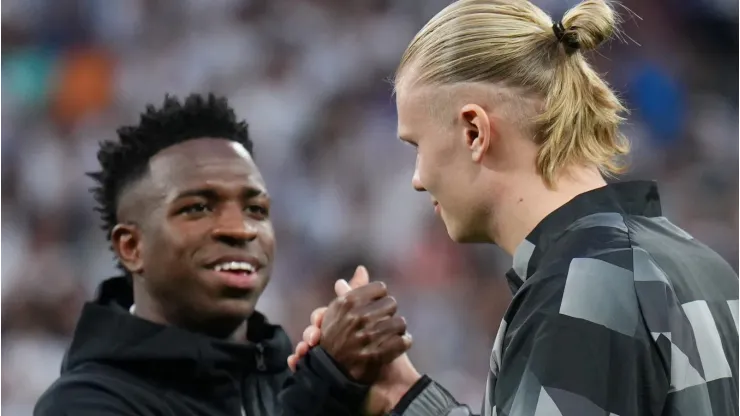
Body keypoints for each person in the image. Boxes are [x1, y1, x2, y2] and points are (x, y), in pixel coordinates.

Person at [289, 0, 740, 415]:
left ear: (474, 132)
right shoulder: (703, 266)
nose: (418, 178)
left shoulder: (584, 284)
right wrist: (400, 394)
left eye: (417, 146)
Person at [33, 93, 412, 416]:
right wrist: (329, 385)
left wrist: (405, 395)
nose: (240, 229)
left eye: (256, 210)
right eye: (198, 207)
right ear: (132, 247)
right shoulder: (82, 403)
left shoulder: (291, 381)